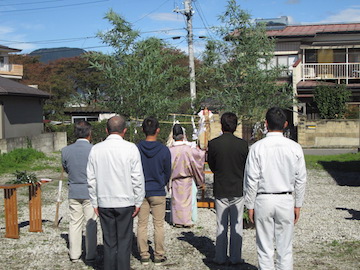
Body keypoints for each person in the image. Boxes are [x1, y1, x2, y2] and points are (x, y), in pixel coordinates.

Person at [244, 107, 307, 270]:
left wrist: (249, 204)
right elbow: (301, 179)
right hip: (285, 198)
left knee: (264, 248)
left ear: (266, 124)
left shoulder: (257, 148)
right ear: (285, 124)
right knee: (285, 248)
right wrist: (298, 204)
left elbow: (251, 180)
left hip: (263, 198)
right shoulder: (294, 148)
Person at [87, 115, 145, 270]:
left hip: (104, 201)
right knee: (125, 241)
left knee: (109, 240)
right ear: (124, 131)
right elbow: (137, 178)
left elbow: (91, 179)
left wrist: (94, 202)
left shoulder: (96, 149)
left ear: (106, 130)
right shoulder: (131, 148)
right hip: (126, 201)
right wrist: (139, 200)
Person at [207, 112, 249, 266]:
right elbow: (245, 166)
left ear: (221, 125)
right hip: (237, 187)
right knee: (236, 224)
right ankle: (236, 257)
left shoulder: (213, 144)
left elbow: (212, 165)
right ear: (236, 125)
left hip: (221, 187)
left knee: (221, 224)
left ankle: (220, 256)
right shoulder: (243, 144)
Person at [136, 116, 171, 266]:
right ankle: (158, 254)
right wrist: (161, 183)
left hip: (141, 191)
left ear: (143, 130)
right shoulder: (164, 150)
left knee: (142, 224)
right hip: (158, 190)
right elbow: (167, 171)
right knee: (159, 224)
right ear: (158, 130)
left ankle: (143, 255)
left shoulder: (136, 148)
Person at [61, 120, 98, 263]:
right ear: (89, 133)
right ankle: (90, 254)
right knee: (91, 223)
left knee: (74, 223)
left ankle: (74, 254)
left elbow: (66, 168)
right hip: (90, 191)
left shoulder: (65, 150)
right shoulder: (94, 149)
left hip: (74, 190)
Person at [168, 123, 205, 228]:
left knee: (176, 200)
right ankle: (187, 220)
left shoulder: (170, 150)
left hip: (175, 179)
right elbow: (199, 157)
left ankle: (177, 220)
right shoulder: (189, 149)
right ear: (183, 135)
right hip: (187, 178)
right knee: (188, 201)